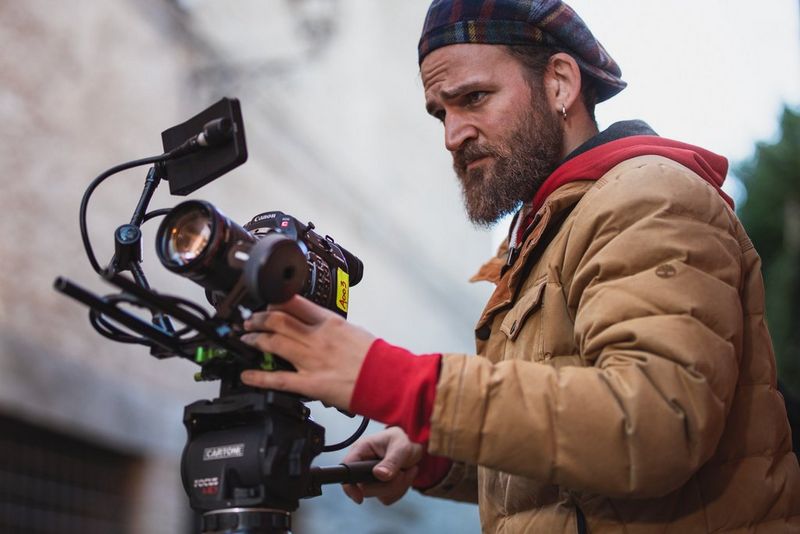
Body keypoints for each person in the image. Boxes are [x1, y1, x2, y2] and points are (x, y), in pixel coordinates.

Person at [239, 0, 800, 531]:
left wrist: (401, 385)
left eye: (475, 98)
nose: (452, 135)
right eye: (441, 113)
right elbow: (574, 460)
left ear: (559, 81)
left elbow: (654, 427)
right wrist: (438, 458)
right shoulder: (550, 231)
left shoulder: (645, 197)